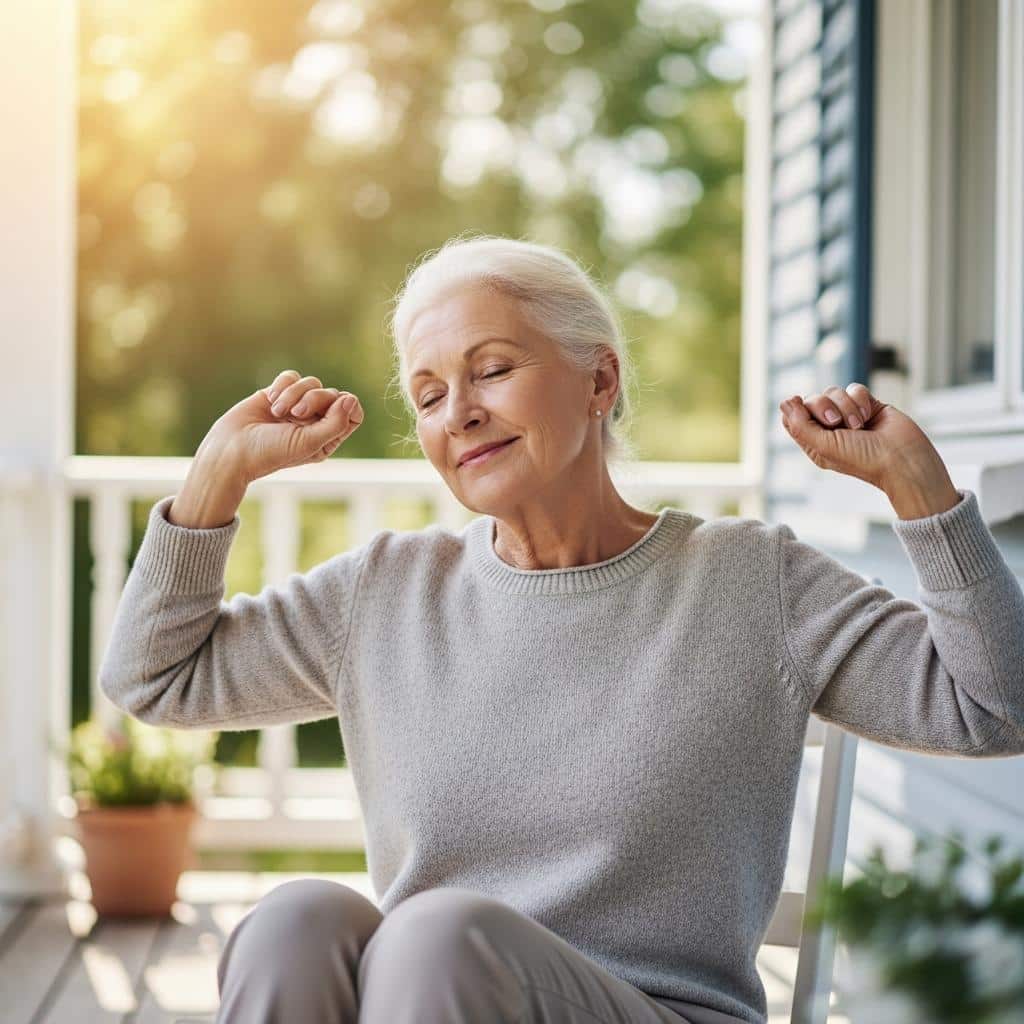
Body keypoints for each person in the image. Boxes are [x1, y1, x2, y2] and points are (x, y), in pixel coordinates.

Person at [99, 234, 1024, 1024]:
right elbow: (154, 678)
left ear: (599, 379)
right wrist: (214, 479)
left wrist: (920, 491)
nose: (458, 410)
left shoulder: (751, 580)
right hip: (437, 994)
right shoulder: (386, 592)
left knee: (434, 935)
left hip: (657, 1007)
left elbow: (998, 708)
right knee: (294, 921)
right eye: (427, 395)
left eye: (492, 369)